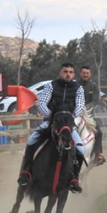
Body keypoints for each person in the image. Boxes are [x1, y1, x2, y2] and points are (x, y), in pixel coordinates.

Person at [17, 63, 85, 193]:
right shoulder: (51, 86)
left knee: (80, 148)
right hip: (50, 122)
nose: (68, 74)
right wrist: (54, 116)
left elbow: (80, 106)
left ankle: (74, 179)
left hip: (68, 124)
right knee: (31, 141)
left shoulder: (78, 88)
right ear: (60, 73)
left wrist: (68, 118)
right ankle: (25, 173)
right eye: (65, 71)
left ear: (74, 74)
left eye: (71, 72)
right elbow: (41, 103)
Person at [78, 65, 105, 165]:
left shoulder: (93, 86)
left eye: (87, 73)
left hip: (89, 116)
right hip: (75, 114)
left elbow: (94, 101)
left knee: (99, 133)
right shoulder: (75, 85)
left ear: (90, 74)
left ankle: (98, 155)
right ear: (80, 74)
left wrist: (84, 108)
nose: (85, 75)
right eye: (84, 73)